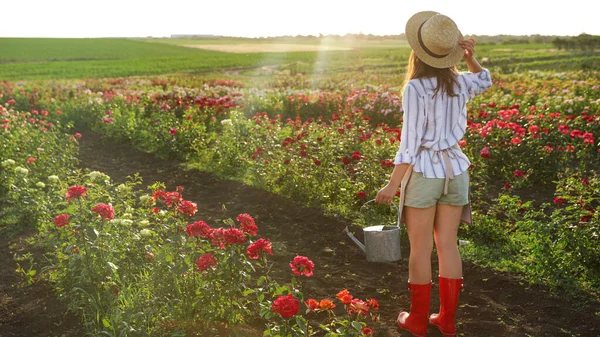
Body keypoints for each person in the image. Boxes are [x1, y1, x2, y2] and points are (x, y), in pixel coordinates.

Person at [374, 11, 493, 337]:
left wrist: (392, 184)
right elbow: (485, 79)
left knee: (421, 248)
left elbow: (410, 146)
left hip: (425, 172)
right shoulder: (461, 81)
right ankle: (447, 320)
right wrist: (471, 58)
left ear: (418, 50)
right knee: (448, 246)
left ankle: (417, 321)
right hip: (456, 170)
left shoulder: (415, 88)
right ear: (448, 53)